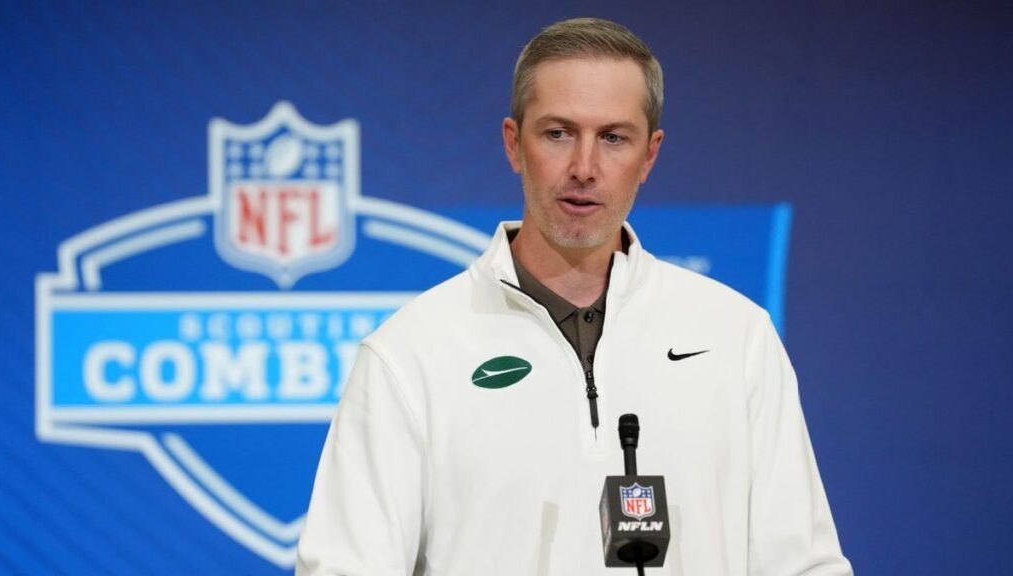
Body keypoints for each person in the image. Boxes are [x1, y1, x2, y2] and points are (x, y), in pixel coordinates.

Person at [297, 17, 852, 576]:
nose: (584, 168)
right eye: (558, 133)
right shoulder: (410, 354)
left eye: (613, 137)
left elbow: (802, 565)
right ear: (515, 144)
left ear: (650, 156)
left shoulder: (736, 338)